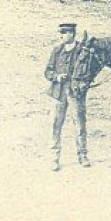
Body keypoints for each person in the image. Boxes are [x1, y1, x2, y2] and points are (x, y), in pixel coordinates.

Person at [45, 23, 94, 170]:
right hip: (58, 93)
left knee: (80, 124)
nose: (61, 35)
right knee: (56, 124)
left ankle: (83, 155)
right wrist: (57, 76)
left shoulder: (81, 50)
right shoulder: (57, 50)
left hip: (76, 93)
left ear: (72, 34)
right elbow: (47, 71)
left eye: (65, 33)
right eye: (61, 33)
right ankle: (54, 158)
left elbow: (88, 71)